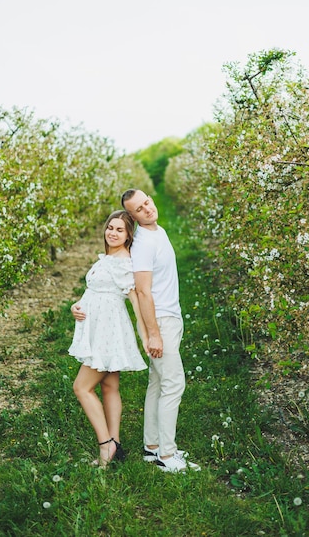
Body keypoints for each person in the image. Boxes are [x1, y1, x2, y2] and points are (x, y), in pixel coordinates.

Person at [121, 189, 200, 473]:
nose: (147, 209)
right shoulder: (142, 244)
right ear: (132, 217)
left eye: (147, 202)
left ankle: (152, 447)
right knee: (174, 384)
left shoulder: (159, 231)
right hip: (161, 321)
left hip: (170, 317)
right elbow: (142, 291)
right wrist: (153, 334)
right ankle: (168, 455)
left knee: (157, 381)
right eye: (139, 209)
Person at [69, 210, 149, 468]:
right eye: (110, 228)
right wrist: (76, 306)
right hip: (97, 326)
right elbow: (94, 291)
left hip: (107, 331)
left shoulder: (124, 262)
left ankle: (106, 446)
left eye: (120, 230)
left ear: (128, 236)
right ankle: (116, 441)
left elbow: (135, 298)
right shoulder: (107, 258)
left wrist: (146, 334)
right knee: (109, 386)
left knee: (82, 387)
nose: (112, 233)